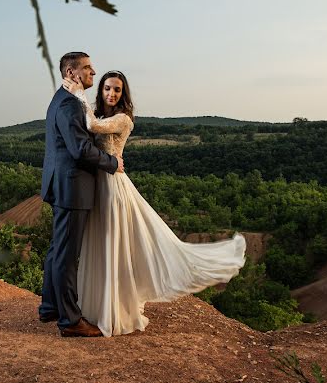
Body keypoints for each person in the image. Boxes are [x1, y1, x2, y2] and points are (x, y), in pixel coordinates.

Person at [63, 70, 246, 337]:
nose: (112, 94)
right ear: (101, 91)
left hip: (113, 188)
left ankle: (113, 312)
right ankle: (96, 308)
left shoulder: (123, 119)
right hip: (98, 187)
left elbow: (92, 127)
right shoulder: (101, 114)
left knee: (112, 246)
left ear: (123, 95)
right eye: (107, 89)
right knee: (100, 245)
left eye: (117, 90)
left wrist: (78, 94)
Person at [39, 52, 125, 338]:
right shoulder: (70, 105)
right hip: (72, 187)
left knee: (57, 250)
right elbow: (80, 150)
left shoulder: (60, 99)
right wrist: (112, 163)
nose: (93, 71)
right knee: (66, 255)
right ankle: (70, 321)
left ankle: (50, 306)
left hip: (61, 183)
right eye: (87, 68)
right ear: (71, 72)